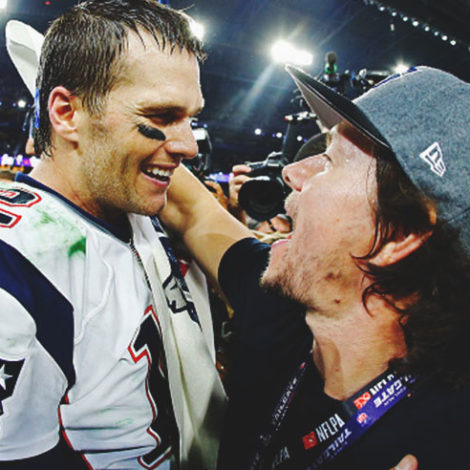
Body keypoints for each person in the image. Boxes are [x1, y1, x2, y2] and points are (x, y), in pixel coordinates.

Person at [160, 65, 470, 469]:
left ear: (399, 234)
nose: (291, 172)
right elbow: (193, 212)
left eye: (329, 161)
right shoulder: (279, 302)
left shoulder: (447, 443)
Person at [0, 1, 226, 468]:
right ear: (66, 113)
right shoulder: (16, 261)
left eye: (191, 118)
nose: (188, 146)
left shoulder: (130, 200)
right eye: (161, 115)